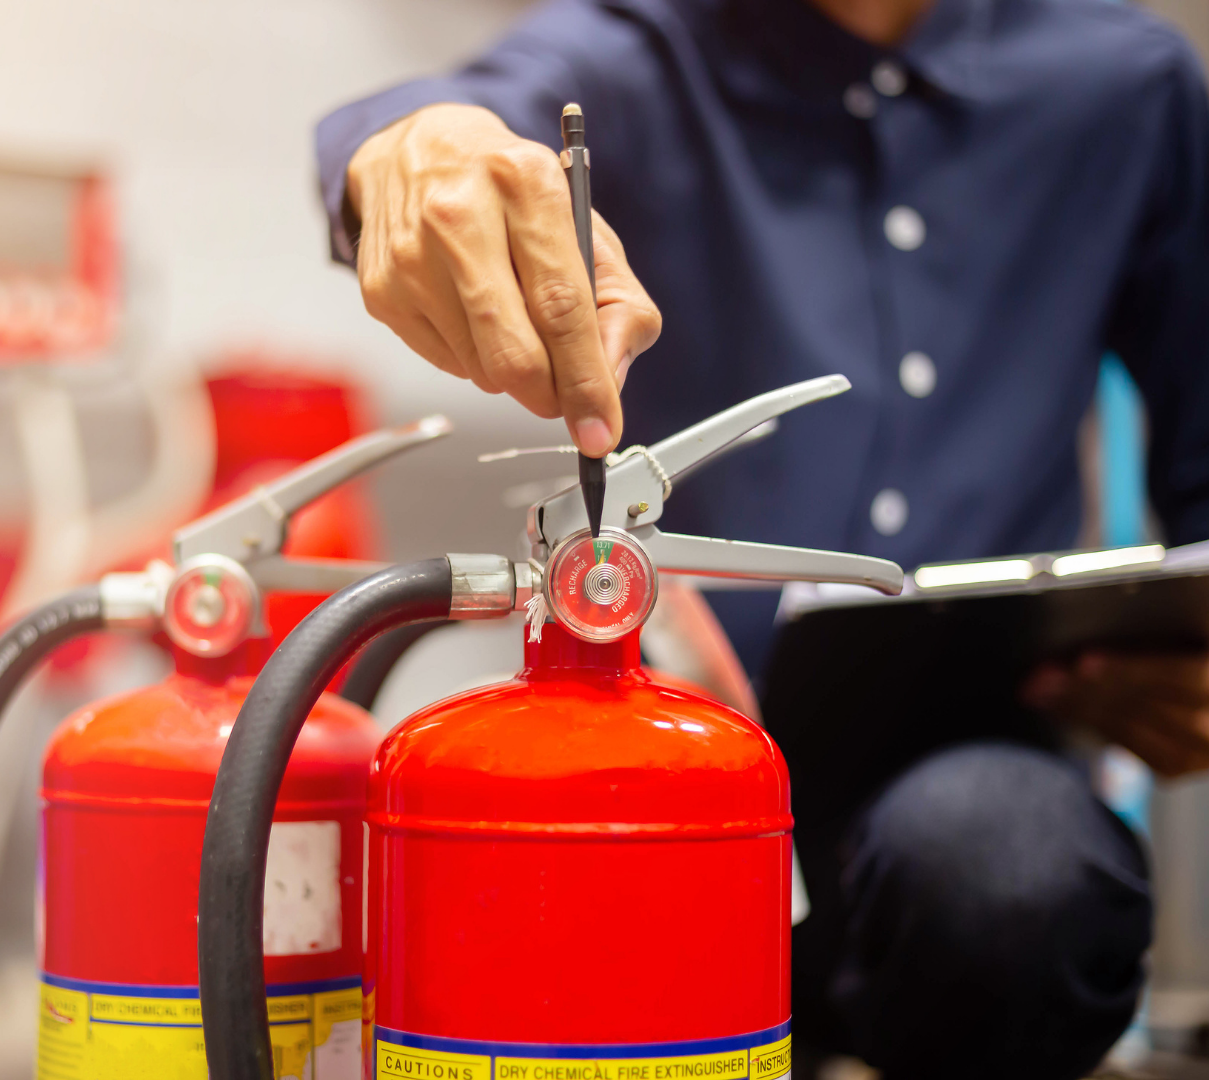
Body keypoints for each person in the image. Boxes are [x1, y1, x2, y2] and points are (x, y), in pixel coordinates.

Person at [315, 0, 1209, 1074]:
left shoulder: (1125, 85)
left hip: (980, 786)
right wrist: (418, 149)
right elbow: (438, 116)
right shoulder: (633, 55)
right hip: (652, 780)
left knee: (1012, 881)